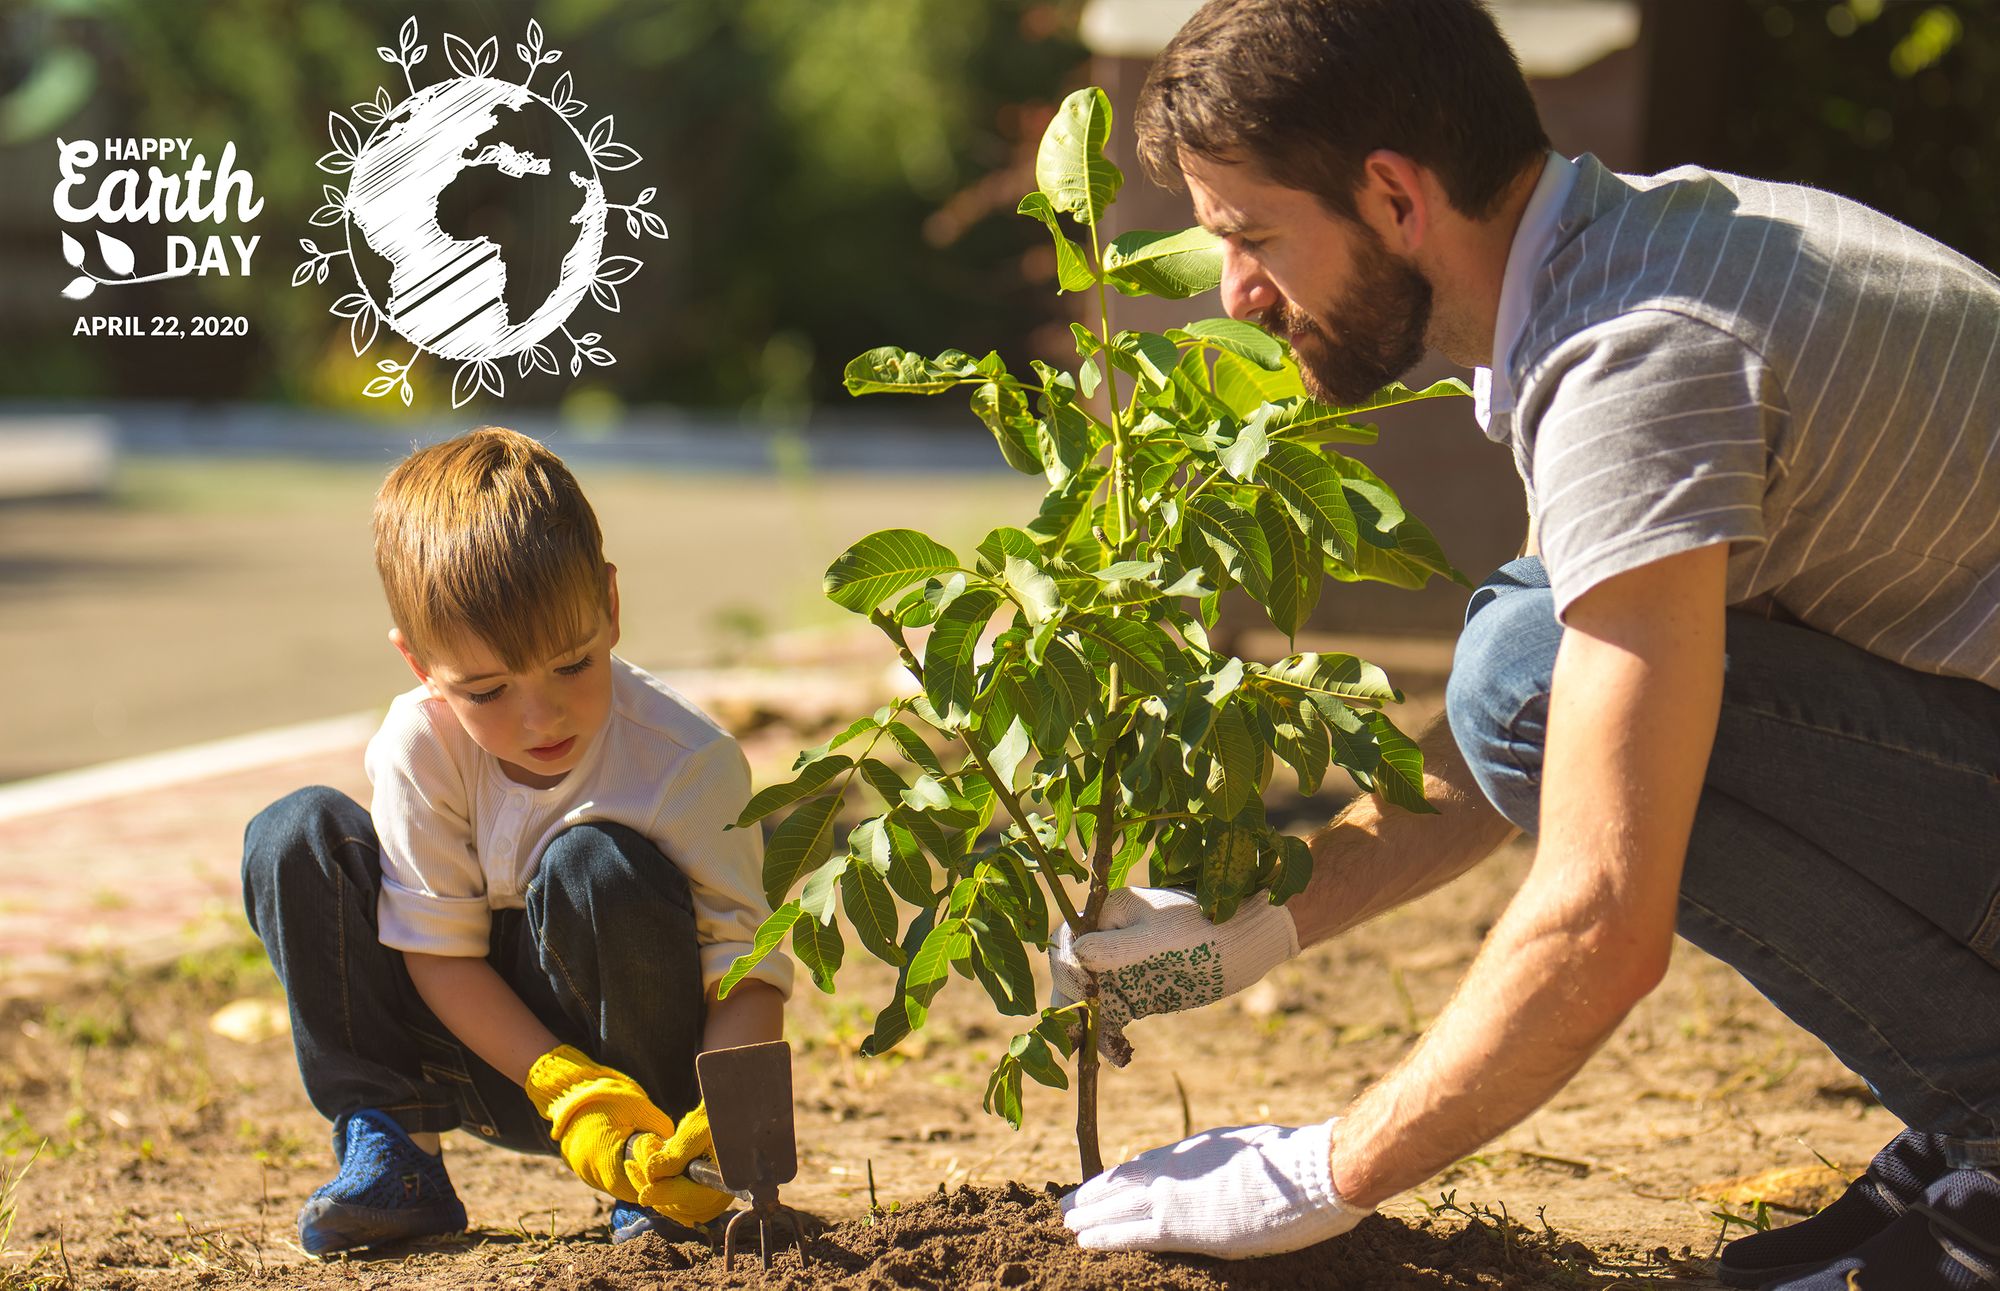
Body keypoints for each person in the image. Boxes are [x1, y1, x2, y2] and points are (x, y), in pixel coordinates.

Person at [1049, 2, 2000, 1287]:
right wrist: (1271, 918)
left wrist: (1322, 1170)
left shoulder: (1637, 362)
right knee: (1525, 648)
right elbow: (1581, 721)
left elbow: (1602, 914)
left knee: (1517, 668)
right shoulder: (1642, 251)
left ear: (1392, 195)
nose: (1236, 294)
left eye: (1251, 235)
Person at [241, 427, 792, 1255]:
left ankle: (659, 1185)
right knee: (294, 833)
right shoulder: (419, 746)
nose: (542, 718)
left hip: (639, 1092)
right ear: (419, 663)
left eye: (573, 665)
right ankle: (397, 1152)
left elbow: (744, 968)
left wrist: (724, 1119)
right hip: (481, 1063)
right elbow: (440, 953)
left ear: (610, 605)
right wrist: (564, 1086)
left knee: (595, 863)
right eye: (489, 689)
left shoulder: (686, 763)